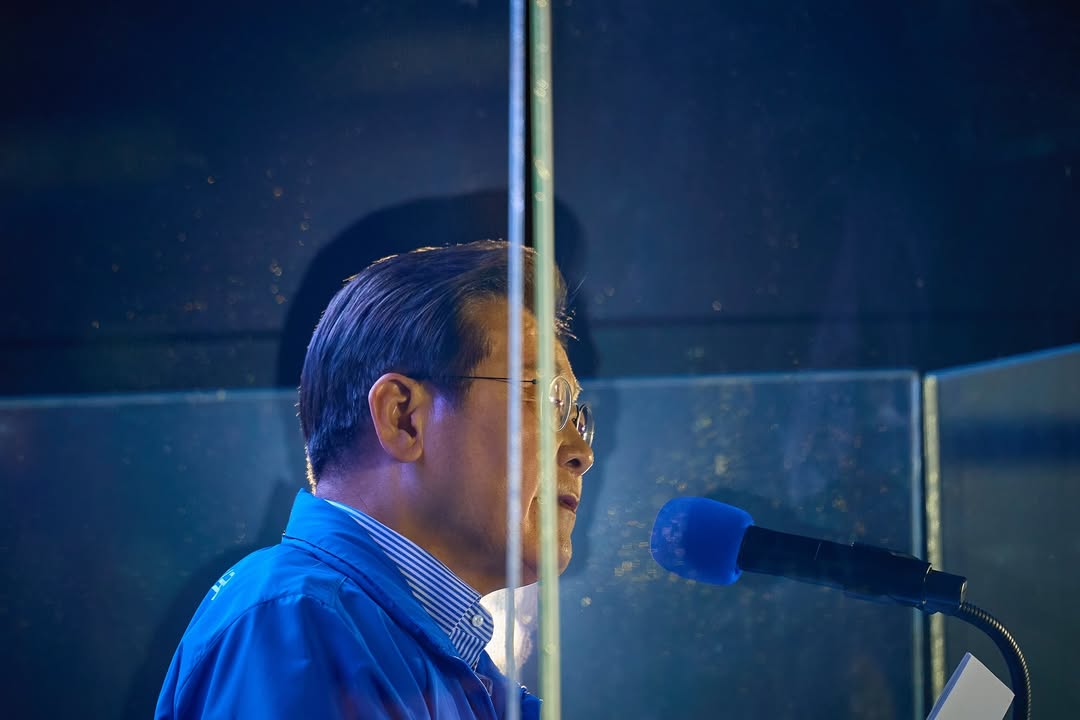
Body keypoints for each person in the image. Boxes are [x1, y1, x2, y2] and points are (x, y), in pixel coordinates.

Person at [155, 240, 596, 719]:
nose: (582, 452)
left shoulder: (447, 666)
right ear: (402, 417)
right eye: (545, 398)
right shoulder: (295, 623)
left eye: (576, 414)